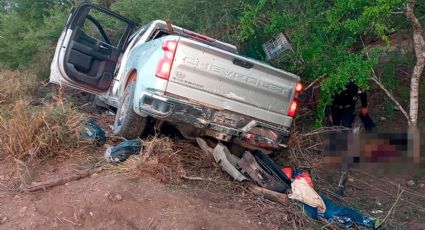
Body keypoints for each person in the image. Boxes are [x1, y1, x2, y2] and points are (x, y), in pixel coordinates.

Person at [329, 81, 368, 196]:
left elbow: (363, 92)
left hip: (347, 108)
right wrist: (328, 111)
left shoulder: (355, 83)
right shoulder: (335, 80)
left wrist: (364, 106)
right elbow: (326, 96)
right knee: (334, 129)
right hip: (335, 107)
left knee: (345, 130)